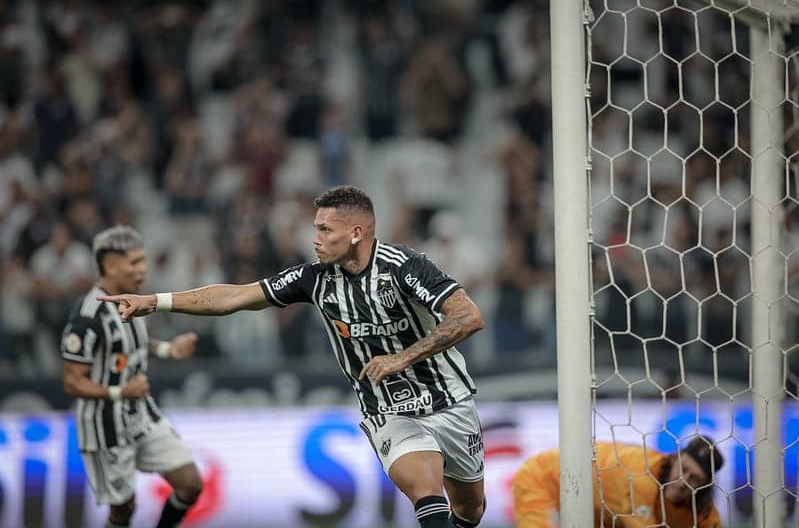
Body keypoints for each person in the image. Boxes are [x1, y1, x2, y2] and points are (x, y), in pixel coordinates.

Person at [98, 186, 487, 528]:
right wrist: (156, 301)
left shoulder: (404, 267)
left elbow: (468, 316)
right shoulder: (315, 278)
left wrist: (403, 357)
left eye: (324, 230)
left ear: (356, 233)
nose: (314, 238)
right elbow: (233, 297)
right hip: (387, 409)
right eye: (315, 228)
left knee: (471, 508)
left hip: (449, 400)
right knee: (425, 490)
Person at [62, 225, 203, 528]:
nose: (144, 269)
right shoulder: (88, 316)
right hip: (105, 426)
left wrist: (168, 350)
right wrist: (119, 392)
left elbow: (129, 348)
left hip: (140, 414)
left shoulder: (133, 301)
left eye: (143, 261)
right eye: (135, 262)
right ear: (110, 265)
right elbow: (72, 380)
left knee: (190, 482)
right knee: (123, 510)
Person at [512, 436, 724, 528]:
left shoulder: (702, 511)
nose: (682, 482)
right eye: (683, 469)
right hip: (543, 478)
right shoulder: (640, 477)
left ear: (705, 486)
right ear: (673, 458)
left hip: (599, 509)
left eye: (694, 479)